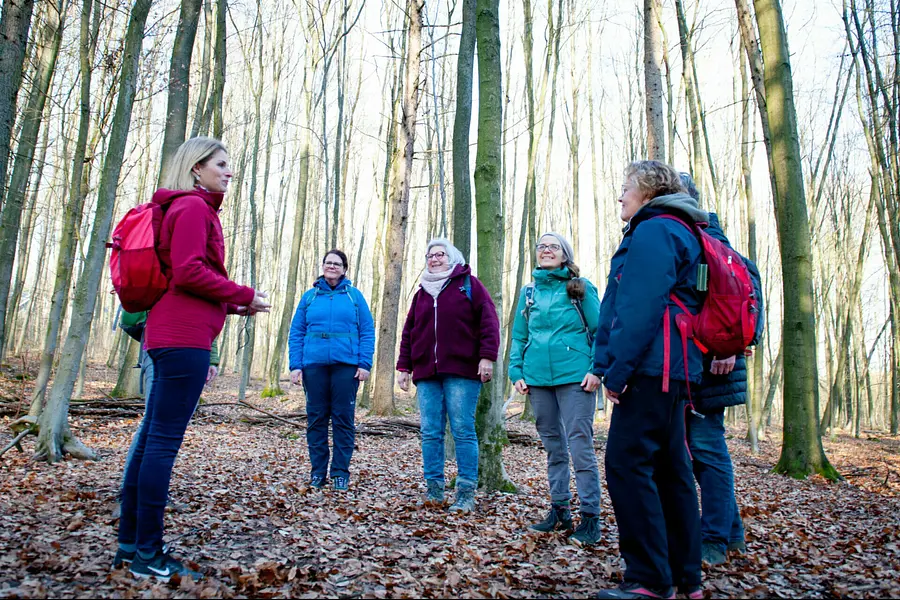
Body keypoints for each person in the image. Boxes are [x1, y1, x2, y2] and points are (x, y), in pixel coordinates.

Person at [116, 137, 270, 581]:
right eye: (221, 164)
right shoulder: (193, 208)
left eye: (229, 164)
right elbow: (187, 272)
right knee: (161, 443)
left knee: (150, 440)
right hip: (182, 340)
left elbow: (188, 279)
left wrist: (234, 305)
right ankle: (147, 553)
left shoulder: (185, 209)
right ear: (195, 168)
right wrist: (242, 293)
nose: (229, 172)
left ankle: (131, 545)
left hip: (174, 332)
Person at [593, 161, 706, 599]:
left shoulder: (656, 229)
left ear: (648, 190)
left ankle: (649, 579)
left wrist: (616, 373)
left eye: (626, 188)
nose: (620, 196)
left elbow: (639, 308)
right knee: (670, 469)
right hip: (672, 368)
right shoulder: (679, 228)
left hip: (651, 368)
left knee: (626, 465)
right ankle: (684, 576)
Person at [679, 173, 762, 567]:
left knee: (707, 450)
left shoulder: (710, 240)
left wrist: (731, 347)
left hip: (714, 362)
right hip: (695, 361)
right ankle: (732, 533)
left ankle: (713, 538)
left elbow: (747, 294)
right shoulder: (692, 237)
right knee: (699, 452)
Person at [509, 233, 603, 546]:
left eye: (554, 247)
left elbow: (600, 331)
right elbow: (519, 336)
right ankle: (559, 510)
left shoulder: (580, 288)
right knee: (553, 448)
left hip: (575, 378)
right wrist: (516, 371)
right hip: (537, 380)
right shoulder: (529, 292)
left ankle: (590, 518)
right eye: (541, 246)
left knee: (580, 445)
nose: (547, 250)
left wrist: (596, 370)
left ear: (565, 255)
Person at [396, 239, 500, 513]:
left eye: (440, 254)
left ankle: (466, 493)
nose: (434, 259)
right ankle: (434, 490)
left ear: (452, 257)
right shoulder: (421, 293)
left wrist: (487, 357)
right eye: (430, 255)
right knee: (430, 432)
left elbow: (489, 321)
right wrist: (403, 366)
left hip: (463, 371)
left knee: (463, 430)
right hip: (426, 372)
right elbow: (409, 332)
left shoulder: (469, 285)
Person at [289, 250, 375, 492]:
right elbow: (296, 332)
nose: (332, 267)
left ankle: (340, 473)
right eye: (328, 263)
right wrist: (296, 365)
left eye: (337, 264)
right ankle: (318, 473)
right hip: (313, 366)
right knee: (316, 420)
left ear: (344, 269)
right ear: (323, 266)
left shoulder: (354, 297)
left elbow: (367, 331)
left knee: (343, 420)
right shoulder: (309, 297)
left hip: (346, 366)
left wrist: (364, 363)